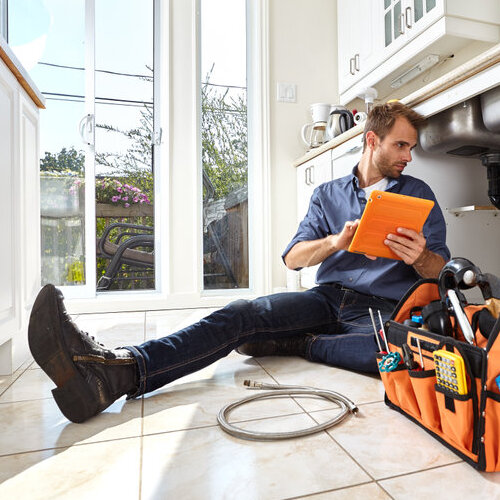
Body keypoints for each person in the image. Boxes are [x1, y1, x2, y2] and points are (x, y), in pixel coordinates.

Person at [28, 102, 450, 424]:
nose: (408, 156)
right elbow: (293, 258)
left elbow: (440, 272)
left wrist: (423, 257)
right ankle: (115, 373)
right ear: (372, 141)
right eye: (400, 145)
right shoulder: (327, 194)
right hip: (325, 299)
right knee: (240, 314)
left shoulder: (419, 194)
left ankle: (296, 343)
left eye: (411, 147)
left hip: (381, 309)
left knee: (401, 349)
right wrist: (335, 242)